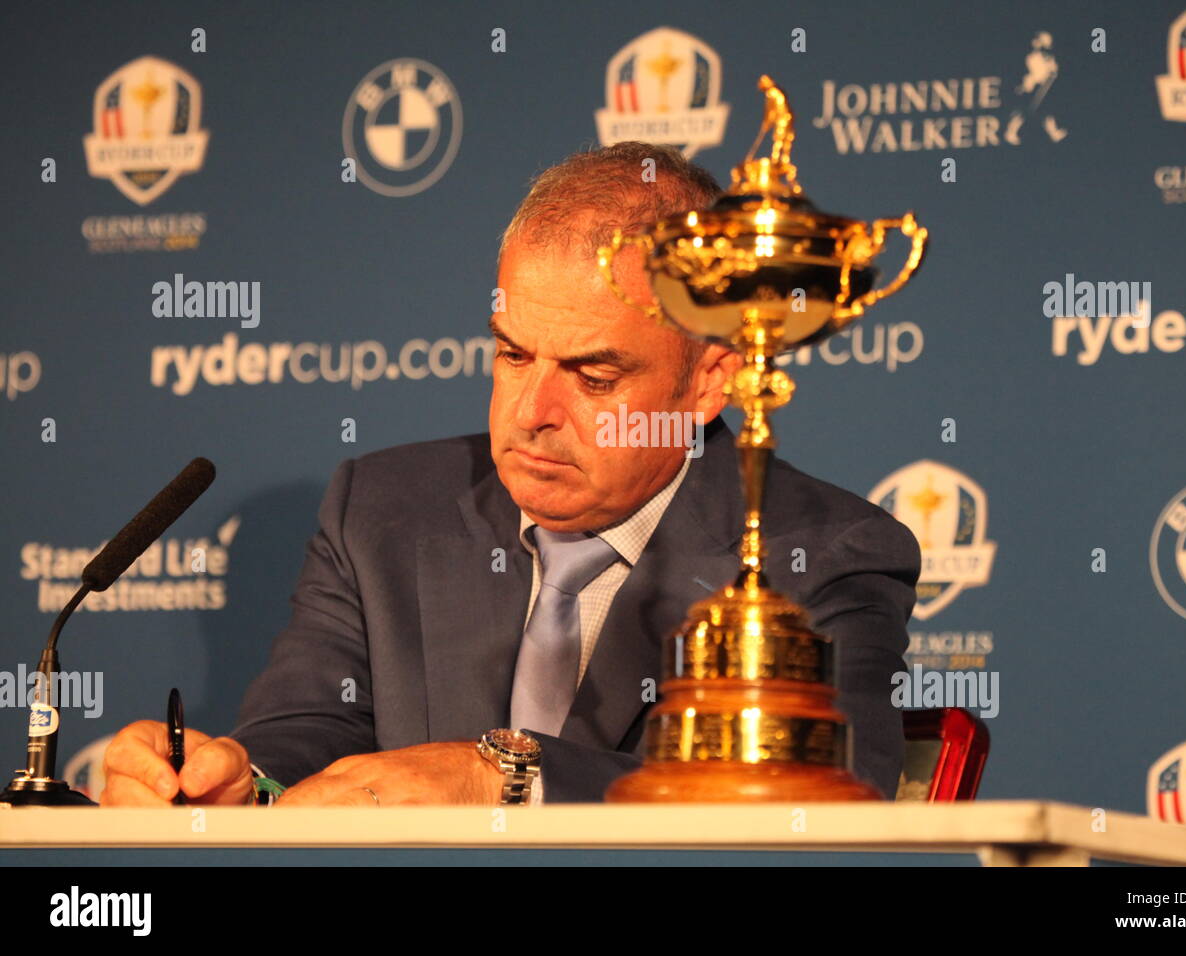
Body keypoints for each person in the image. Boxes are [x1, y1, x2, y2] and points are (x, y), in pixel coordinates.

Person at [100, 141, 920, 807]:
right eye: (512, 355)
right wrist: (235, 782)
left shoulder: (825, 555)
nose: (531, 412)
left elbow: (821, 795)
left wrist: (505, 779)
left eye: (594, 376)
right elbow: (306, 733)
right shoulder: (381, 511)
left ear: (710, 381)